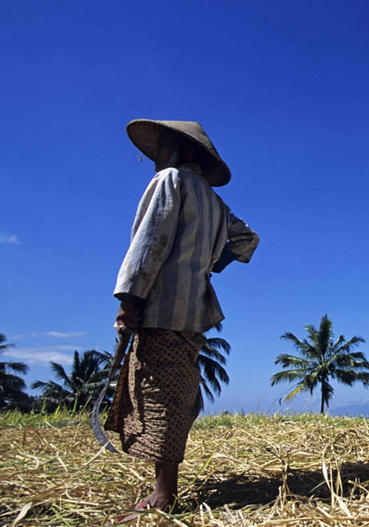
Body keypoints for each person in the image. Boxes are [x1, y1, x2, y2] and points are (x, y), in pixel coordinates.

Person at [106, 119, 259, 512]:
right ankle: (164, 485)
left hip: (162, 306)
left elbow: (150, 241)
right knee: (176, 393)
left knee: (159, 395)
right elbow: (247, 240)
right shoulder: (215, 202)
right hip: (195, 310)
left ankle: (164, 493)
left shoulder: (170, 180)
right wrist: (206, 266)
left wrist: (131, 298)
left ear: (184, 152)